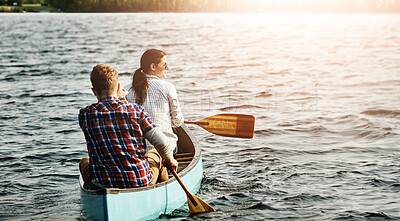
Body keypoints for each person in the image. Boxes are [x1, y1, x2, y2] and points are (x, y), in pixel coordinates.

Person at [78, 64, 178, 189]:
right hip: (138, 180)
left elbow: (110, 120)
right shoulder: (136, 111)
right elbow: (162, 143)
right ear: (118, 86)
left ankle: (97, 194)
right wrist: (170, 160)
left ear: (93, 91)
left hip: (102, 184)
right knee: (156, 154)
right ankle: (164, 187)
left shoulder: (85, 114)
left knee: (84, 162)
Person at [125, 49, 184, 155]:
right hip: (166, 149)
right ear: (152, 67)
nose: (168, 68)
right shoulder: (168, 87)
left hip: (137, 150)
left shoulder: (126, 90)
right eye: (164, 65)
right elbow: (177, 122)